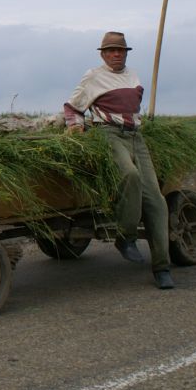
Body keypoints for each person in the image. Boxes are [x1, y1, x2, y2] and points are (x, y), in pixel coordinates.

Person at [64, 31, 174, 290]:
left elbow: (133, 108)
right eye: (111, 51)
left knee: (156, 201)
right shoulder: (93, 76)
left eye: (121, 50)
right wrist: (76, 126)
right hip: (108, 134)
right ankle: (125, 236)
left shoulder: (133, 76)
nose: (116, 54)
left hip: (136, 137)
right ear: (103, 54)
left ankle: (162, 268)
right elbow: (72, 107)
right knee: (129, 174)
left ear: (126, 53)